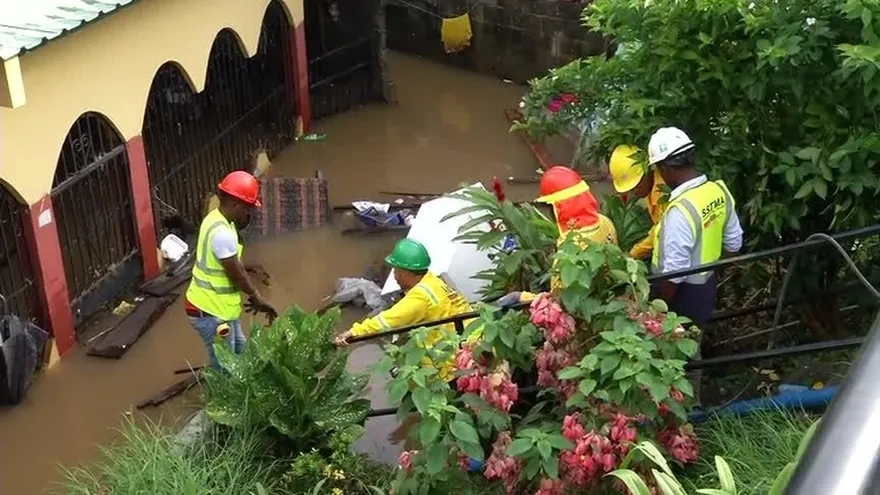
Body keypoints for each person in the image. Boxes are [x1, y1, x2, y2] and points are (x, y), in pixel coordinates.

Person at [334, 238, 474, 381]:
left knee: (414, 374)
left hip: (450, 359)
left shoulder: (419, 297)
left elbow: (386, 321)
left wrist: (353, 333)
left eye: (396, 270)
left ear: (405, 272)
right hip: (469, 340)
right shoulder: (433, 281)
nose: (394, 276)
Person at [648, 127, 743, 326]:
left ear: (665, 169)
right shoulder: (718, 191)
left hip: (678, 298)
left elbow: (675, 273)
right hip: (706, 290)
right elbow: (734, 244)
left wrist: (656, 311)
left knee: (674, 350)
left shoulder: (680, 211)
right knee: (693, 340)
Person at [185, 170, 278, 370]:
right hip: (209, 312)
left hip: (221, 309)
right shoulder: (223, 233)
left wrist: (248, 271)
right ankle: (219, 401)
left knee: (241, 353)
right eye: (248, 208)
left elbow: (227, 264)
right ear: (236, 204)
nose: (249, 214)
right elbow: (236, 275)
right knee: (226, 369)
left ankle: (244, 394)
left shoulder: (214, 218)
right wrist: (257, 296)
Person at [497, 165, 618, 306]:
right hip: (610, 298)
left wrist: (522, 297)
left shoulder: (570, 248)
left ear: (559, 208)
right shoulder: (605, 222)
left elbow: (559, 301)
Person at [608, 144, 668, 260]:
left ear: (646, 171)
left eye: (636, 186)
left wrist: (633, 254)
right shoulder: (648, 188)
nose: (634, 191)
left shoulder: (664, 192)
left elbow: (661, 231)